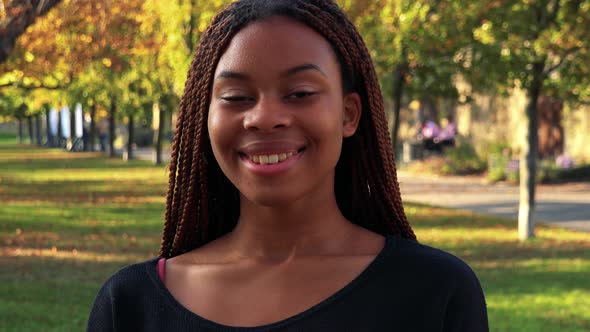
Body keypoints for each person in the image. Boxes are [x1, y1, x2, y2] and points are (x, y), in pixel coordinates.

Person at [87, 0, 488, 331]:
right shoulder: (130, 305)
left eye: (299, 93)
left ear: (349, 115)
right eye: (236, 96)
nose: (264, 117)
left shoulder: (434, 293)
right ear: (201, 118)